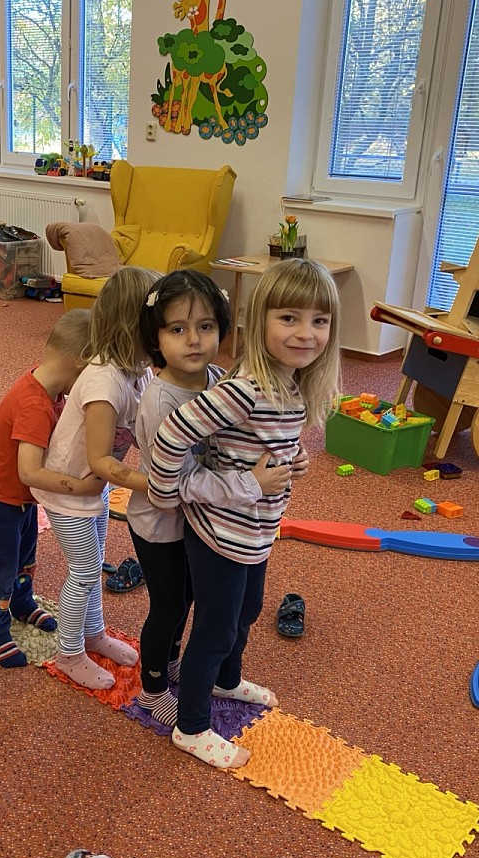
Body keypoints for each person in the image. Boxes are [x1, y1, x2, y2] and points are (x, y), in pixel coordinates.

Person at [149, 258, 342, 768]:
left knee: (248, 611)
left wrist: (293, 457)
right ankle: (191, 727)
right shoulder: (245, 389)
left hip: (257, 529)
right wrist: (169, 491)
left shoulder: (289, 383)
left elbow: (266, 439)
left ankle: (225, 679)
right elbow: (171, 435)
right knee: (215, 628)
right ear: (260, 321)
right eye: (289, 318)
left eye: (319, 321)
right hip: (221, 531)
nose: (306, 333)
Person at [129, 270, 290, 727]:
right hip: (163, 525)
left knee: (203, 604)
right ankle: (152, 689)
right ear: (156, 337)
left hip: (205, 525)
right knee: (170, 608)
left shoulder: (219, 379)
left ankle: (185, 667)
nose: (194, 340)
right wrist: (249, 486)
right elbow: (174, 482)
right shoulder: (161, 401)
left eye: (205, 326)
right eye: (177, 329)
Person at [30, 266, 160, 690]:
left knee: (95, 559)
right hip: (67, 490)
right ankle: (69, 654)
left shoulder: (139, 372)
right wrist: (153, 484)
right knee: (84, 570)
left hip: (94, 489)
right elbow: (100, 459)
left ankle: (93, 633)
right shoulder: (104, 381)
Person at [0, 309, 102, 668]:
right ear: (83, 362)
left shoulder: (45, 387)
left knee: (24, 558)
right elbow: (29, 471)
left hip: (21, 501)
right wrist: (79, 487)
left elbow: (15, 431)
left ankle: (22, 603)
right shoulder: (36, 404)